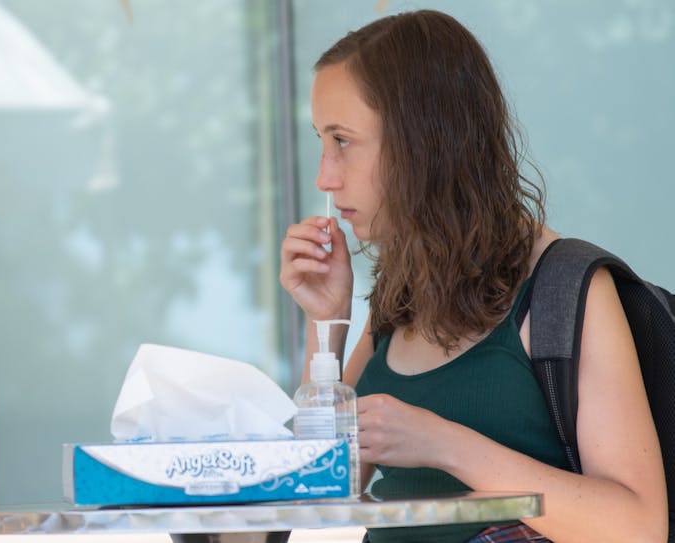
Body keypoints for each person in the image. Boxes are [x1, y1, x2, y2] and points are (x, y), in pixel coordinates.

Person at [279, 9, 666, 543]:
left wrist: (443, 444)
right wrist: (327, 321)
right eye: (321, 142)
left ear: (421, 142)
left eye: (342, 141)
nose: (325, 177)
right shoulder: (401, 292)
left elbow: (638, 527)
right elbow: (315, 490)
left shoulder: (565, 288)